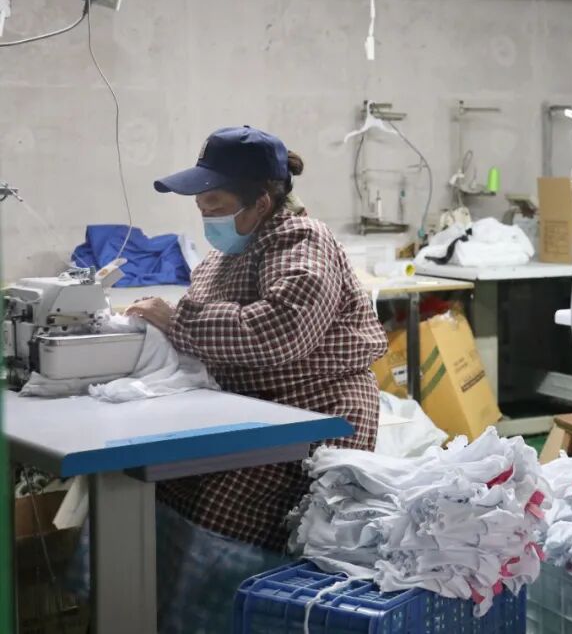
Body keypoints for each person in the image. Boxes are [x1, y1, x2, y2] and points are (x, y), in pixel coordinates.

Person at [122, 125, 388, 632]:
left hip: (312, 416)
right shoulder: (230, 251)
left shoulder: (301, 241)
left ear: (261, 202)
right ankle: (164, 615)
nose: (206, 216)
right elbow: (205, 327)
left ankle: (222, 618)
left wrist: (177, 322)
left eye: (216, 204)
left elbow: (278, 332)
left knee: (226, 513)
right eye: (201, 205)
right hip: (253, 411)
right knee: (160, 485)